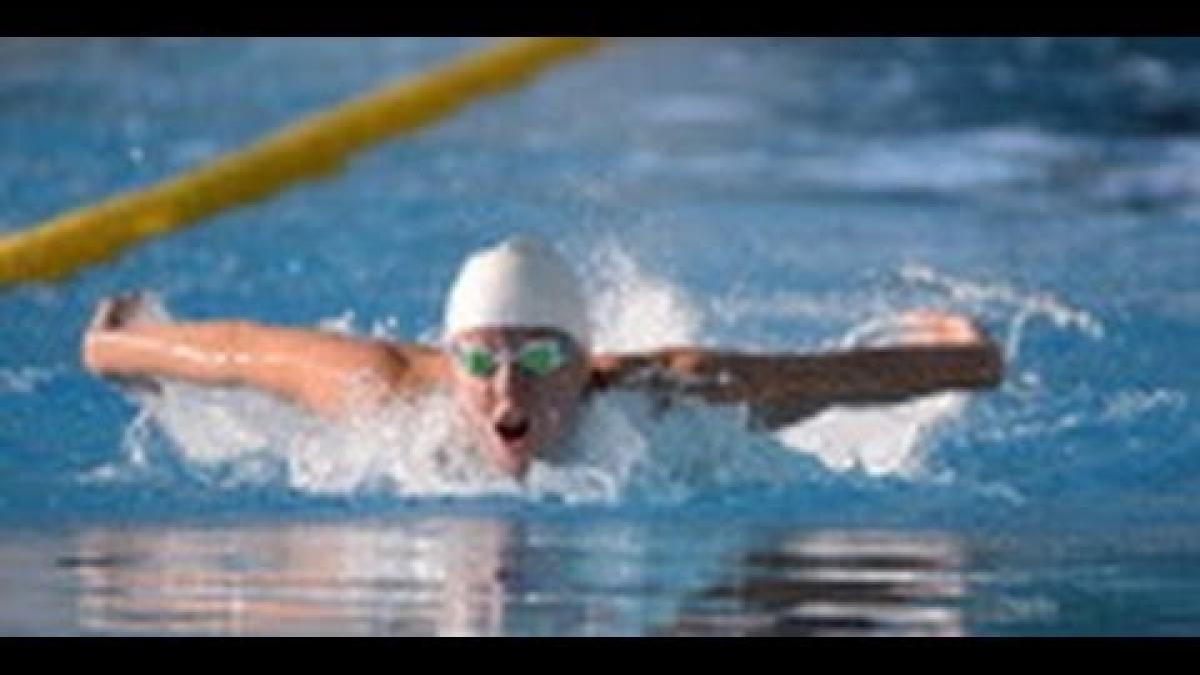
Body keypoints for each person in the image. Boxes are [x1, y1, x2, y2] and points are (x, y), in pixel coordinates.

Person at [82, 236, 1003, 478]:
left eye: (542, 356)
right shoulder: (385, 393)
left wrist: (962, 356)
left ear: (589, 361)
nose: (508, 386)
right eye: (479, 361)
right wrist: (116, 344)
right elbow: (237, 354)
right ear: (451, 360)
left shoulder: (673, 395)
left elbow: (830, 381)